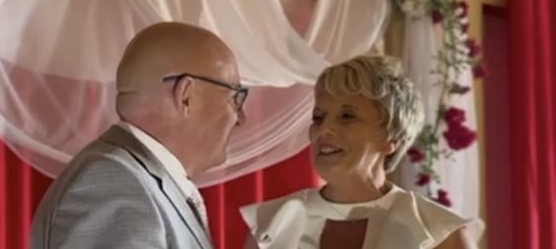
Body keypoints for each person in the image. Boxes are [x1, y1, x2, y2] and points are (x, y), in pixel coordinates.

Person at [31, 22, 248, 249]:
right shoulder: (115, 184)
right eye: (236, 98)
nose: (241, 119)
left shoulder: (133, 178)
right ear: (186, 97)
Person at [240, 54, 483, 249]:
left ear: (392, 137)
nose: (324, 129)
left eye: (347, 116)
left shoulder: (439, 233)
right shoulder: (272, 224)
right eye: (318, 117)